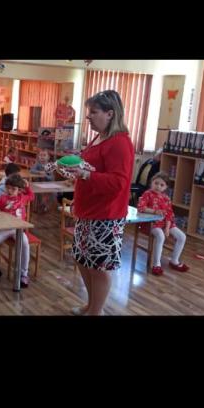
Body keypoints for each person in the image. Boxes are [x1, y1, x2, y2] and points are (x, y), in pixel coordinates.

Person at [67, 90, 135, 316]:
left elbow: (119, 182)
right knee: (82, 260)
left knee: (99, 266)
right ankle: (91, 305)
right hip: (87, 210)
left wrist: (86, 175)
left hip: (106, 215)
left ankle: (96, 311)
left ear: (110, 113)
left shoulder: (120, 143)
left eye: (94, 112)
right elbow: (91, 169)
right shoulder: (99, 137)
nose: (88, 117)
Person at [0, 173, 34, 287]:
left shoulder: (23, 197)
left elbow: (31, 196)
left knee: (25, 245)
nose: (10, 191)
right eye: (8, 188)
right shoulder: (3, 199)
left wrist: (27, 187)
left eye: (13, 189)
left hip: (18, 229)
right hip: (5, 229)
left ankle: (24, 274)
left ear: (19, 190)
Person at [138, 171, 189, 275]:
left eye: (162, 185)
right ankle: (156, 264)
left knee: (182, 236)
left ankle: (174, 260)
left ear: (165, 187)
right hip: (151, 223)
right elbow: (141, 208)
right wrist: (154, 211)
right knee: (160, 236)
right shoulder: (147, 194)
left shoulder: (166, 198)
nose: (158, 186)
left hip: (165, 223)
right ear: (151, 182)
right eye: (156, 183)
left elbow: (169, 214)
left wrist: (167, 228)